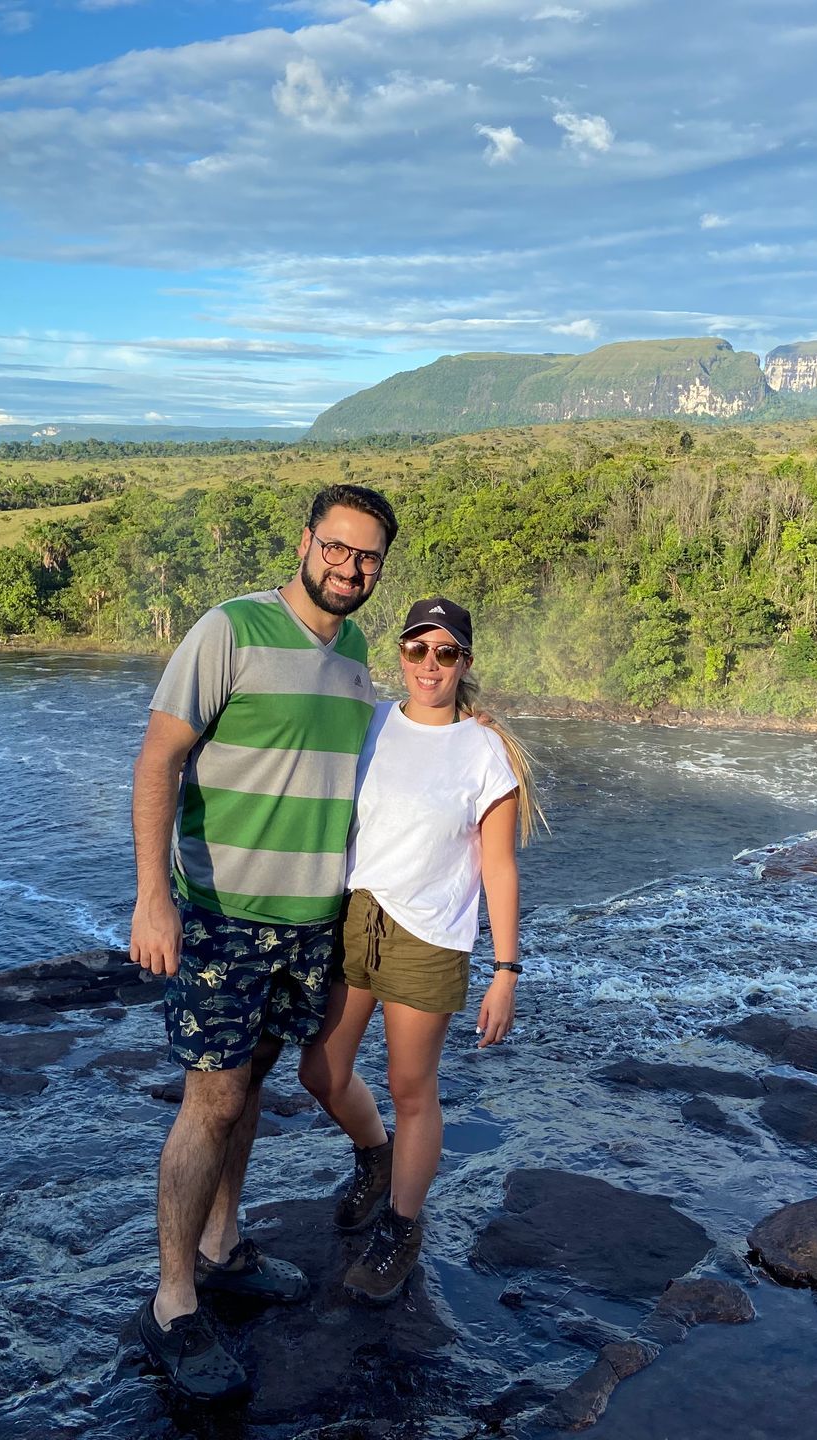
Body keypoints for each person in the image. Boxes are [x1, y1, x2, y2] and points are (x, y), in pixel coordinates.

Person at [127, 483, 397, 1401]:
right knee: (209, 1100)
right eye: (336, 547)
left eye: (366, 557)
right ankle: (171, 1303)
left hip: (307, 923)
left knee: (248, 1087)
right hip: (221, 915)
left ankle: (221, 1244)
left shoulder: (357, 653)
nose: (348, 567)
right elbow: (158, 759)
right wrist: (152, 898)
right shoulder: (228, 631)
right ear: (306, 542)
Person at [299, 595, 544, 1304]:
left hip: (430, 934)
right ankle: (375, 1159)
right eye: (417, 650)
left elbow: (500, 866)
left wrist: (506, 971)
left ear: (465, 662)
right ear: (399, 654)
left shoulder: (485, 748)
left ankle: (402, 1226)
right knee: (321, 1069)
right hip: (355, 918)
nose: (428, 666)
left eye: (445, 653)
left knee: (412, 1090)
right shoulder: (370, 722)